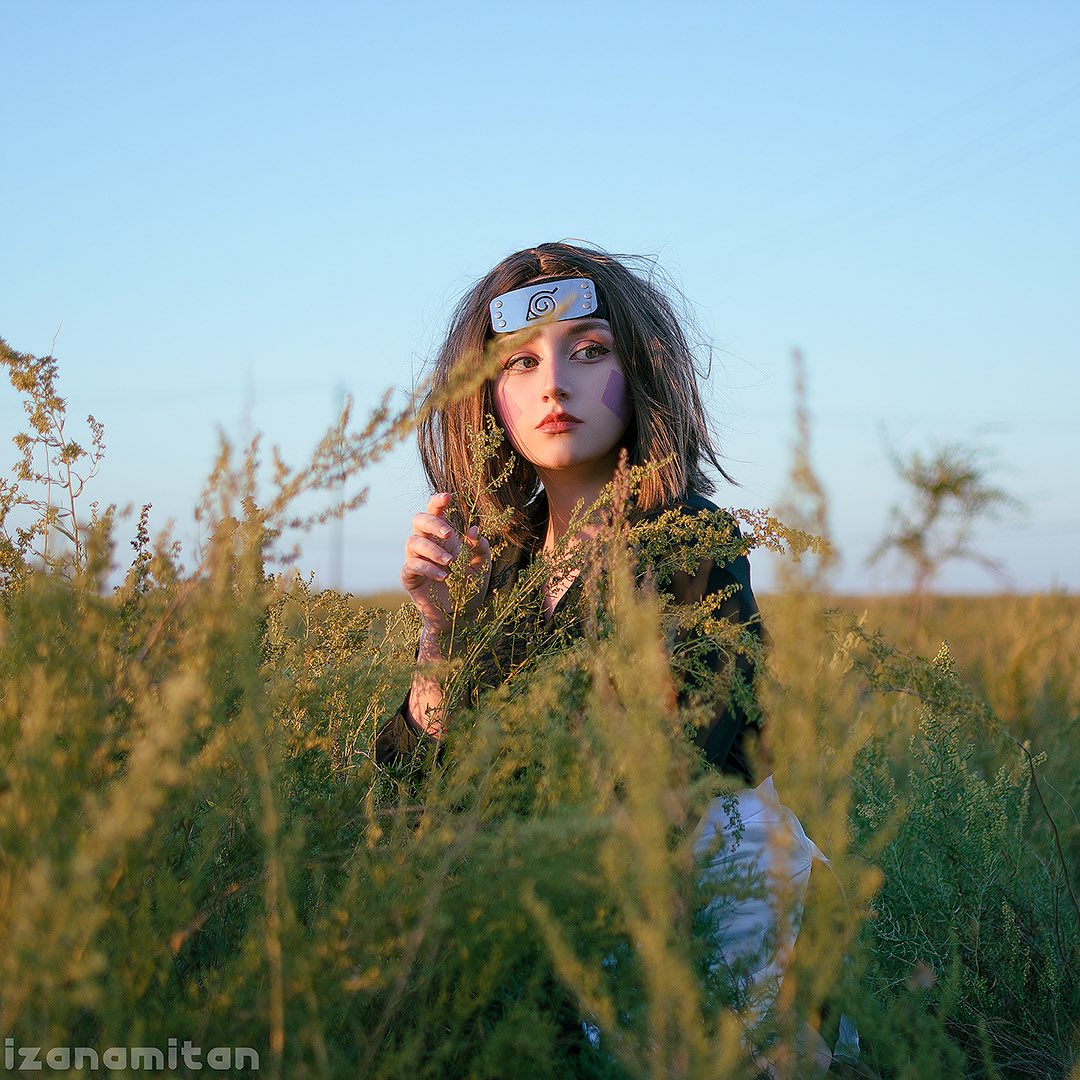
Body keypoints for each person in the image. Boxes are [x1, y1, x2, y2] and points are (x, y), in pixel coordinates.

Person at [376, 241, 851, 1074]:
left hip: (714, 899)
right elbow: (420, 790)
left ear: (641, 370)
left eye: (589, 351)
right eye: (520, 362)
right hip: (568, 898)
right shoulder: (503, 566)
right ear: (485, 396)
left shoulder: (689, 539)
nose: (554, 384)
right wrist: (438, 631)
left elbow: (670, 765)